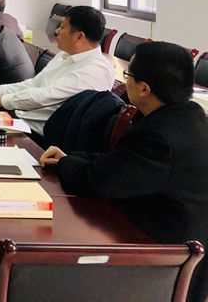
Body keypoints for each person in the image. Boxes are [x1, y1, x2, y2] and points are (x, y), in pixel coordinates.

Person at [40, 42, 208, 302]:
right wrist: (70, 158)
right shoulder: (190, 118)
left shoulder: (160, 137)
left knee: (48, 271)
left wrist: (65, 164)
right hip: (181, 251)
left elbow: (97, 181)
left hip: (163, 267)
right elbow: (121, 163)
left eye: (128, 75)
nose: (125, 81)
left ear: (144, 89)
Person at [0, 5, 115, 135]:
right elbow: (32, 84)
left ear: (79, 37)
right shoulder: (64, 55)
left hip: (38, 135)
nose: (56, 31)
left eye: (62, 27)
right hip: (20, 117)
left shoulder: (96, 71)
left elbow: (44, 95)